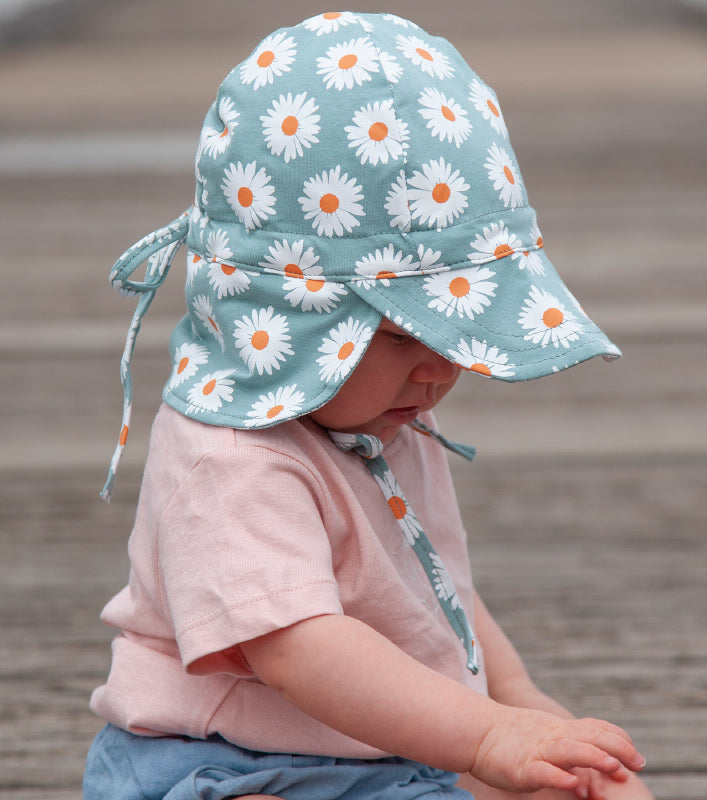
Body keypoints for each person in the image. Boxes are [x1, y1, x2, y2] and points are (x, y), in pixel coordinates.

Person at [84, 11, 655, 800]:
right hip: (219, 761)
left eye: (456, 329)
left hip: (391, 752)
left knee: (588, 785)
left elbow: (436, 589)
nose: (438, 369)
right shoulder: (228, 458)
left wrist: (516, 701)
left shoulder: (382, 415)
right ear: (288, 320)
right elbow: (299, 650)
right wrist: (488, 735)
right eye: (397, 336)